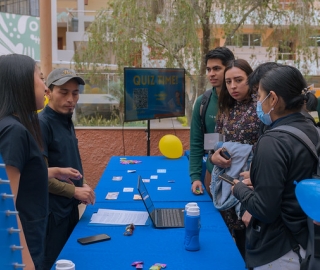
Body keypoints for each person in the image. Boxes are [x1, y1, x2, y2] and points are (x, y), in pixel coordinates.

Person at [0, 54, 83, 270]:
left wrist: (53, 171)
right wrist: (25, 262)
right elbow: (6, 206)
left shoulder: (17, 126)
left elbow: (20, 177)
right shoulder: (14, 132)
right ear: (21, 83)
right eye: (41, 78)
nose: (45, 88)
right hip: (22, 248)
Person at [232, 65, 317, 269]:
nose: (257, 103)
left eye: (259, 95)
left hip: (279, 249)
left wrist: (239, 190)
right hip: (305, 239)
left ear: (273, 98)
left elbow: (265, 209)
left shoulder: (273, 141)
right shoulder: (312, 129)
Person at [39, 68, 96, 269]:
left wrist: (83, 184)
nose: (71, 98)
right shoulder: (42, 124)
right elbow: (39, 177)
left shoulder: (66, 119)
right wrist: (75, 190)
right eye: (63, 92)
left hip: (70, 209)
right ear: (48, 92)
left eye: (75, 92)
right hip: (52, 216)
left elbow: (68, 161)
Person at [208, 59, 260, 259]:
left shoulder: (261, 108)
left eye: (238, 80)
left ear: (251, 79)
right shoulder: (226, 107)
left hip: (251, 185)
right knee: (236, 244)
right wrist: (214, 158)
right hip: (227, 184)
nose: (232, 86)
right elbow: (214, 143)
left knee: (251, 248)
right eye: (228, 82)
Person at [190, 47, 235, 195]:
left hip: (239, 176)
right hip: (212, 174)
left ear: (229, 68)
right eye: (208, 69)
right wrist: (195, 177)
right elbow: (196, 142)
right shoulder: (202, 102)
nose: (211, 74)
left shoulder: (242, 102)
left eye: (216, 68)